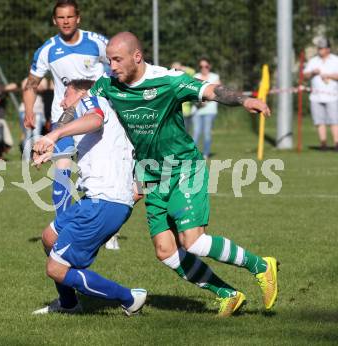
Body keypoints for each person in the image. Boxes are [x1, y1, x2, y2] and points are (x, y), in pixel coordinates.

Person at [34, 32, 278, 317]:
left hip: (183, 167)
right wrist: (56, 142)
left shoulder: (168, 80)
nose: (111, 66)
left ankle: (261, 266)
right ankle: (228, 293)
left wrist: (243, 100)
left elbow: (210, 90)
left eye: (116, 60)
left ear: (137, 57)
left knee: (194, 241)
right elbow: (81, 106)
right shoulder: (108, 84)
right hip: (150, 174)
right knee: (165, 251)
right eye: (109, 60)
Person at [31, 79, 147, 315]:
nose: (62, 102)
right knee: (49, 237)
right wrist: (52, 151)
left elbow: (93, 119)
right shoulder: (100, 118)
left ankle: (129, 298)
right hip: (95, 199)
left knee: (55, 269)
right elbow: (92, 144)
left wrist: (54, 134)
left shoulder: (91, 100)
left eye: (66, 95)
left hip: (105, 202)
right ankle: (69, 304)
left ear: (81, 93)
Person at [23, 0, 109, 217]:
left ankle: (108, 230)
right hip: (64, 118)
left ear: (78, 18)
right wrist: (29, 110)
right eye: (61, 17)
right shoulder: (48, 50)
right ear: (54, 20)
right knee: (62, 168)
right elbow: (31, 83)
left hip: (95, 116)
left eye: (70, 17)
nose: (66, 21)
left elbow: (119, 65)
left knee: (100, 174)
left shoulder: (97, 42)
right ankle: (61, 226)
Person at [303, 37, 338, 151]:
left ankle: (337, 144)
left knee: (334, 121)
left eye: (322, 48)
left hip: (333, 96)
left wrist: (329, 75)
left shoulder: (335, 60)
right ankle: (323, 145)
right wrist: (313, 72)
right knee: (319, 121)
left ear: (328, 49)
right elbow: (305, 76)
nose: (319, 50)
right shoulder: (313, 61)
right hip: (316, 97)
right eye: (319, 48)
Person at [192, 57, 221, 159]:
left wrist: (206, 100)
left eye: (206, 66)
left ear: (209, 66)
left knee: (207, 133)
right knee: (196, 132)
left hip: (210, 110)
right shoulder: (196, 76)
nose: (204, 68)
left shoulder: (215, 77)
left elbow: (219, 93)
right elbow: (192, 93)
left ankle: (205, 153)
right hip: (197, 110)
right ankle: (192, 155)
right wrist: (199, 102)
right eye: (201, 66)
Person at [18, 77, 52, 156]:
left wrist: (31, 87)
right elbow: (25, 89)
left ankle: (37, 156)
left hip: (38, 111)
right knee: (27, 135)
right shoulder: (25, 80)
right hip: (25, 111)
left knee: (37, 135)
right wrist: (32, 87)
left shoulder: (43, 80)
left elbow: (43, 88)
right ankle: (27, 157)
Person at [171, 62, 195, 135]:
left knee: (186, 133)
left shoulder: (185, 80)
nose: (177, 71)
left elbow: (192, 71)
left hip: (186, 113)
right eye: (175, 70)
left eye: (178, 70)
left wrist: (181, 67)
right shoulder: (171, 81)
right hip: (175, 113)